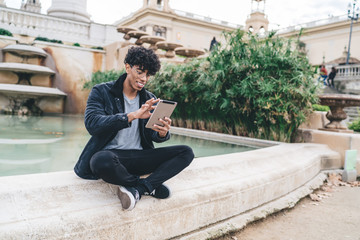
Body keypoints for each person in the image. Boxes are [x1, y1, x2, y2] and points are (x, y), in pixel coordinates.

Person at [74, 46, 194, 211]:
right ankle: (148, 186)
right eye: (140, 72)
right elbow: (93, 124)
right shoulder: (102, 91)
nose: (144, 78)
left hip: (139, 157)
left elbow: (152, 135)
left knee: (186, 152)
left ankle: (139, 189)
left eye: (148, 74)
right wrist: (132, 115)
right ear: (128, 67)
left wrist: (162, 133)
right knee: (100, 160)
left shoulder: (149, 98)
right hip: (112, 157)